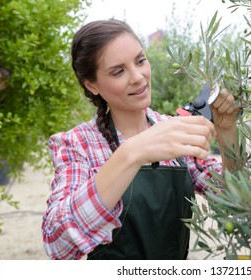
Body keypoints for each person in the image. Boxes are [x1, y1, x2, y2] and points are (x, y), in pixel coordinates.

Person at [42, 19, 240, 260]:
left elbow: (236, 201)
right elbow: (57, 242)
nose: (138, 77)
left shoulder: (173, 130)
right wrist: (132, 153)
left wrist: (228, 131)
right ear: (92, 85)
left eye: (140, 61)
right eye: (118, 71)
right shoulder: (77, 144)